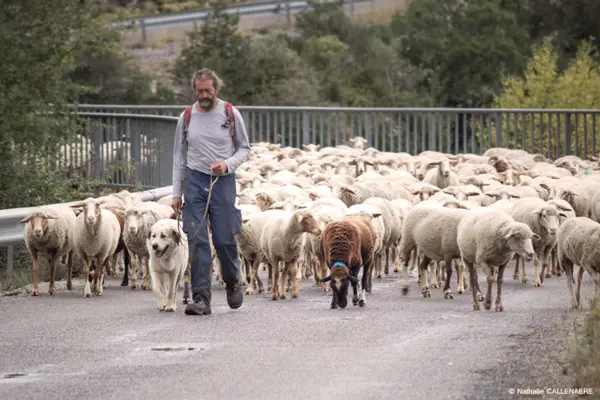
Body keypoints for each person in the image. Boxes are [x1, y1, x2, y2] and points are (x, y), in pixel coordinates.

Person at [171, 68, 251, 316]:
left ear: (217, 89)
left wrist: (227, 164)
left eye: (208, 90)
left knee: (225, 240)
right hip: (194, 181)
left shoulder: (229, 113)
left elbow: (244, 149)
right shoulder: (186, 117)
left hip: (222, 182)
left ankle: (231, 281)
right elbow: (178, 156)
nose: (203, 95)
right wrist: (176, 193)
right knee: (197, 240)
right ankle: (201, 298)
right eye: (199, 90)